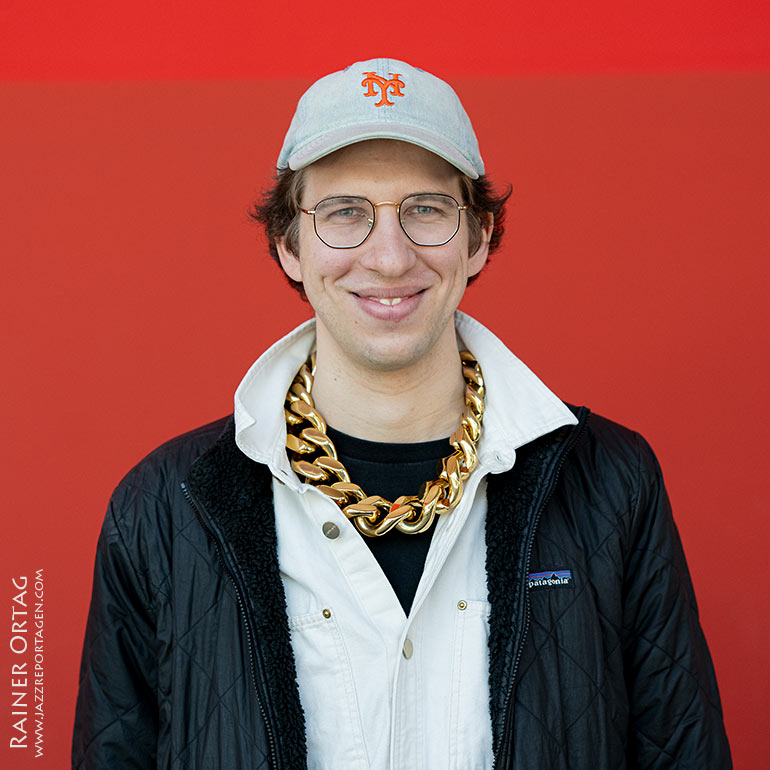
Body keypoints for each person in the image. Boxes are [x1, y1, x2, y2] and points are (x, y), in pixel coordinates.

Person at [72, 58, 731, 769]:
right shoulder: (161, 507)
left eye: (426, 209)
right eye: (344, 212)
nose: (389, 258)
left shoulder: (612, 482)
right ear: (289, 245)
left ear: (478, 237)